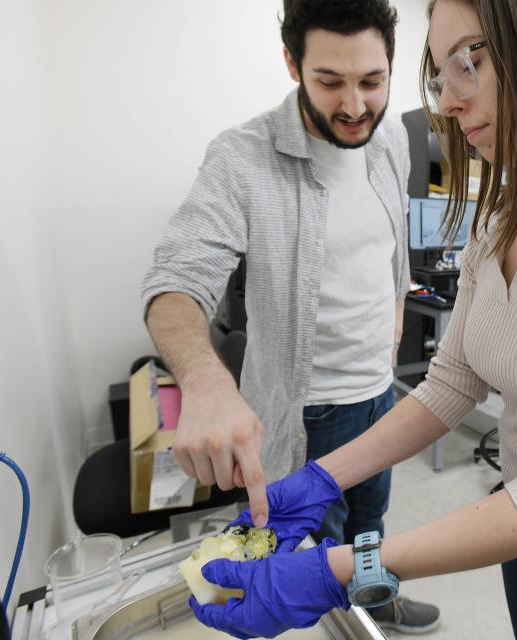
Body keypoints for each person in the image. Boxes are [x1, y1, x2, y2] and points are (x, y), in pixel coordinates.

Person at [188, 1, 517, 639]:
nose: (448, 103)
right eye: (440, 76)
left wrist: (346, 567)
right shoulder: (500, 217)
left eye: (471, 61)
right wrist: (324, 476)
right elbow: (452, 383)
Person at [141, 0, 441, 632]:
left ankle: (376, 602)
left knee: (370, 528)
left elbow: (386, 247)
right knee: (312, 562)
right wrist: (204, 379)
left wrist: (390, 315)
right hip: (309, 414)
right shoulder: (241, 158)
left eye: (372, 81)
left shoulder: (389, 143)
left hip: (379, 393)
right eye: (330, 82)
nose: (355, 105)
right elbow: (176, 278)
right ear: (292, 64)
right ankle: (353, 622)